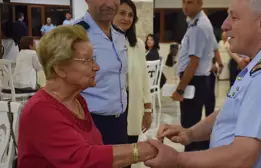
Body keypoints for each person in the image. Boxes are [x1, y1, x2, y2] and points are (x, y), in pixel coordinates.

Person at [144, 0, 261, 168]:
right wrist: (190, 133)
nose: (224, 25)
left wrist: (177, 159)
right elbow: (233, 111)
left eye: (234, 17)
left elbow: (242, 157)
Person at [18, 26, 158, 168]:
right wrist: (140, 150)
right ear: (60, 68)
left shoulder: (77, 100)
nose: (96, 67)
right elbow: (83, 159)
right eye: (87, 60)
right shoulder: (40, 111)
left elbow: (95, 147)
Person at [75, 0, 129, 145]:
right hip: (89, 121)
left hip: (120, 119)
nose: (110, 4)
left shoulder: (119, 35)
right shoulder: (75, 34)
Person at [172, 0, 215, 152]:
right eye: (183, 2)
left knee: (189, 128)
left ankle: (191, 159)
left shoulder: (199, 26)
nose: (185, 6)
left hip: (194, 80)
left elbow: (194, 62)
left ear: (200, 3)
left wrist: (180, 89)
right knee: (193, 124)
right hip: (197, 79)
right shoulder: (197, 23)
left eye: (189, 2)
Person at [112, 0, 153, 145]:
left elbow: (144, 78)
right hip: (110, 105)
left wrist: (148, 109)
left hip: (132, 102)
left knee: (129, 149)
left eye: (130, 15)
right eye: (122, 13)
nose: (126, 18)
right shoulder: (105, 42)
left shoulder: (138, 45)